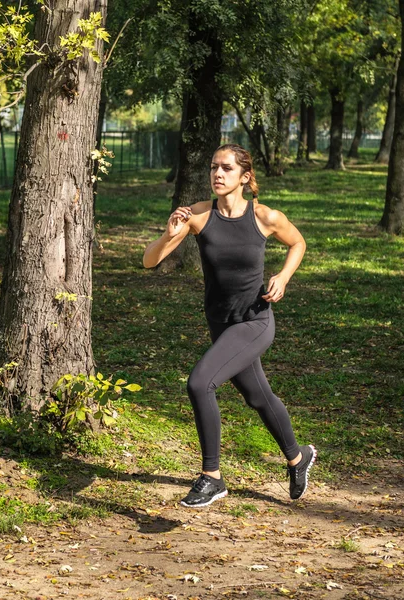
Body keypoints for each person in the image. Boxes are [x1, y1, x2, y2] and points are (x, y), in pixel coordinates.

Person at [142, 143, 315, 508]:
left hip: (255, 320)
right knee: (257, 396)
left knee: (200, 382)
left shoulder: (265, 217)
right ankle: (299, 457)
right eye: (213, 168)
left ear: (244, 177)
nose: (217, 175)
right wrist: (169, 232)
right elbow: (149, 260)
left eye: (227, 168)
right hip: (220, 323)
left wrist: (283, 277)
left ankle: (212, 478)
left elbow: (297, 242)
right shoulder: (198, 216)